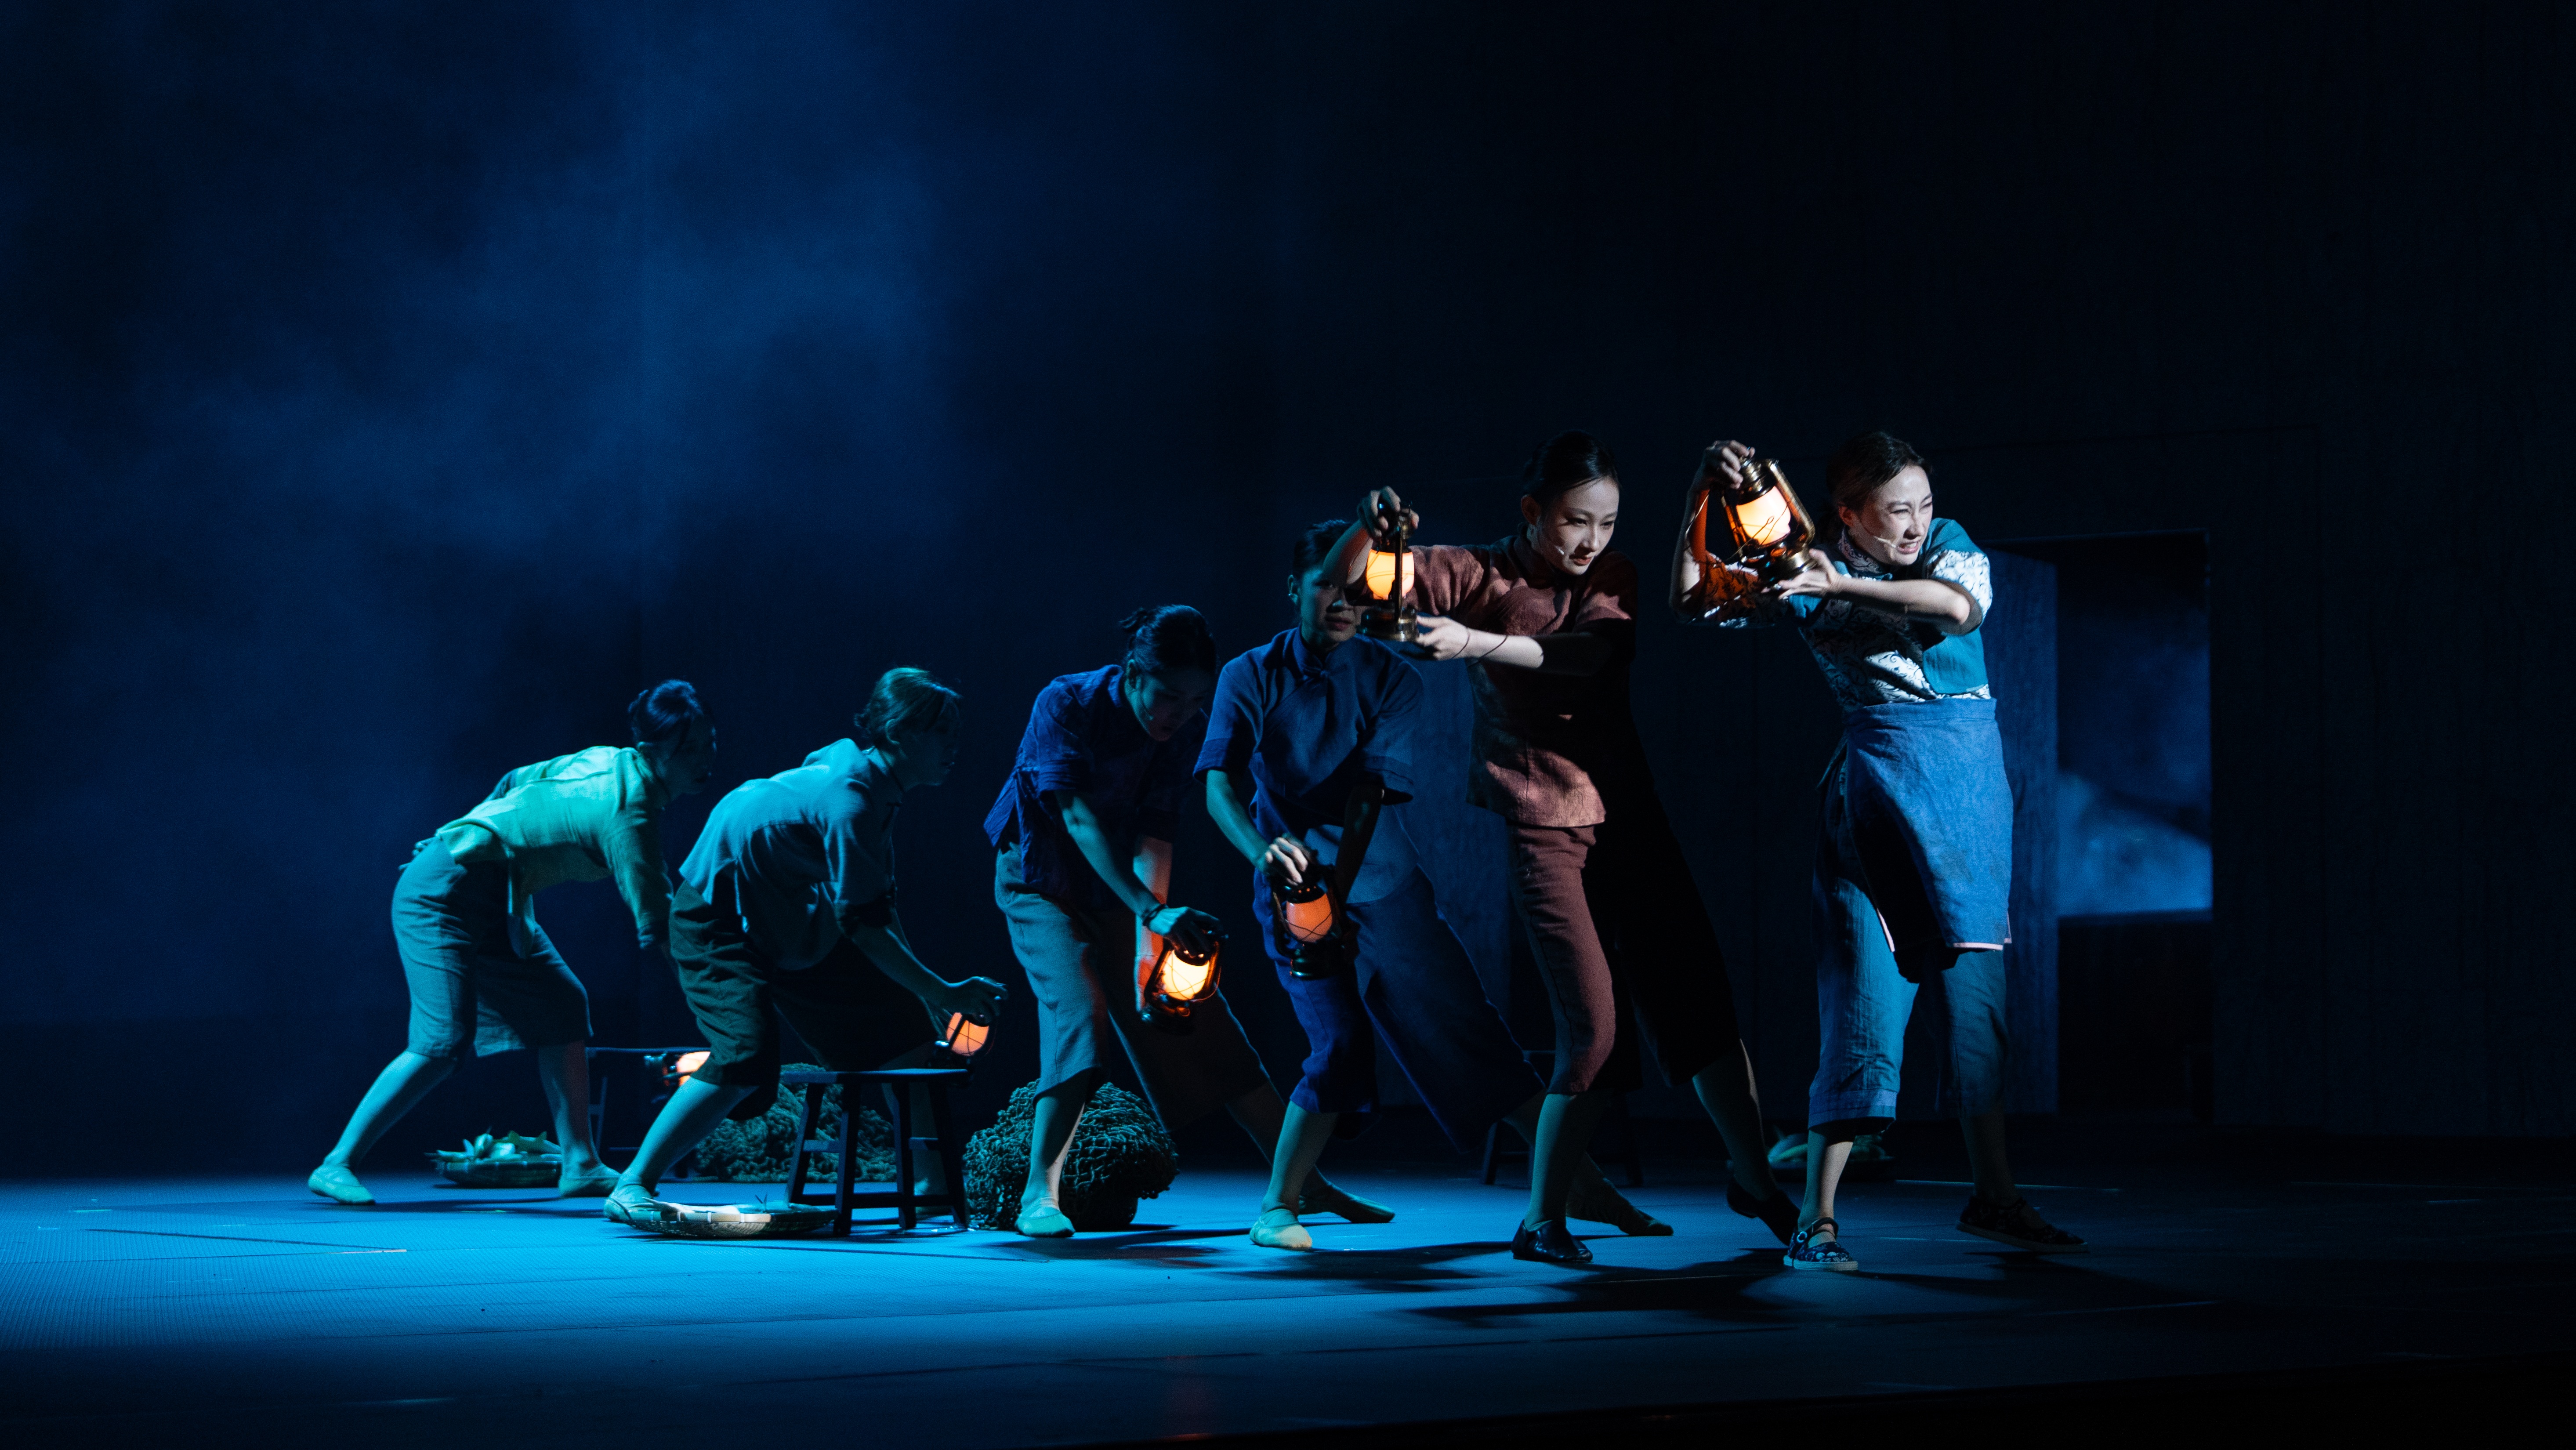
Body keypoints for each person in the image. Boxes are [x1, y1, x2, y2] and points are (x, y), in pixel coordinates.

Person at [1326, 433, 1797, 1266]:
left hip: (1629, 816)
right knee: (1594, 1029)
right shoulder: (1479, 574)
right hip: (1545, 830)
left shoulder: (1612, 578)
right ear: (1531, 511)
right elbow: (1352, 584)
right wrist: (1367, 529)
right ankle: (1541, 1220)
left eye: (1606, 523)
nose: (1591, 540)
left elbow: (1587, 656)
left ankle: (1753, 1177)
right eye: (1576, 522)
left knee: (1696, 1001)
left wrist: (1473, 644)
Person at [1676, 430, 2085, 1270]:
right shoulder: (1804, 570)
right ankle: (1815, 1220)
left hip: (1963, 799)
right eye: (1895, 510)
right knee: (1861, 995)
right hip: (1874, 800)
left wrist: (1842, 583)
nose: (1914, 523)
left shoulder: (1944, 548)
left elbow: (1957, 608)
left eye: (1922, 504)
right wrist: (1699, 495)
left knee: (1974, 1007)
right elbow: (1693, 600)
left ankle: (1994, 1197)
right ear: (1848, 514)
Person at [1203, 520, 1668, 1251]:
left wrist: (1340, 890)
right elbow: (1218, 785)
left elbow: (1369, 796)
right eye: (1325, 586)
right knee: (1338, 1040)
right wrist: (1266, 853)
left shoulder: (1395, 678)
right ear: (1294, 588)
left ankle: (1585, 1187)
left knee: (1474, 1034)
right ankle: (1278, 1205)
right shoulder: (1248, 674)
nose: (1341, 603)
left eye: (1355, 590)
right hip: (1295, 893)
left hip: (1386, 886)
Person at [988, 605, 1385, 1238]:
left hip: (1118, 889)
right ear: (1132, 672)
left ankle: (1305, 1185)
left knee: (1191, 1010)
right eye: (1169, 695)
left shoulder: (1181, 735)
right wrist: (1150, 912)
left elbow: (1155, 835)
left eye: (1195, 700)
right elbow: (1076, 818)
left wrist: (1153, 945)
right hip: (1040, 882)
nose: (1179, 713)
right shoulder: (1066, 702)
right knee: (1078, 1009)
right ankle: (1041, 1194)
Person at [604, 669, 1009, 1226]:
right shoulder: (853, 803)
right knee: (746, 1056)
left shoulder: (872, 789)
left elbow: (879, 913)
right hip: (717, 917)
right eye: (941, 731)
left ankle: (930, 1186)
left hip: (789, 918)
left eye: (955, 731)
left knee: (903, 1030)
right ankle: (633, 1184)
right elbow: (864, 927)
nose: (954, 744)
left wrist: (928, 995)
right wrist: (943, 990)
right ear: (898, 733)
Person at [308, 681, 719, 1206]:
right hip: (442, 897)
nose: (704, 759)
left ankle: (580, 1163)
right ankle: (337, 1162)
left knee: (563, 1004)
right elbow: (659, 925)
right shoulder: (629, 814)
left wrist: (460, 830)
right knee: (443, 1043)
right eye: (688, 749)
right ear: (650, 751)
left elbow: (517, 780)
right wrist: (711, 1009)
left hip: (493, 900)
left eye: (709, 743)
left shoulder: (607, 759)